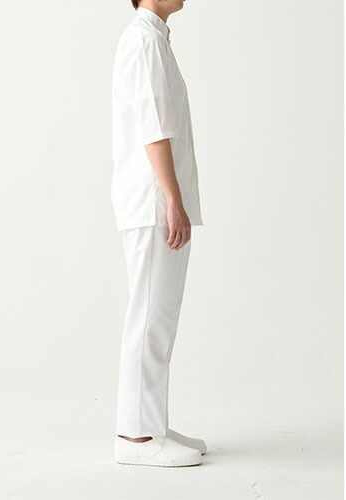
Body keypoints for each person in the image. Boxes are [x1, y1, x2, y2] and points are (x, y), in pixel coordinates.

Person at [111, 0, 205, 467]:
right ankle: (136, 438)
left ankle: (151, 425)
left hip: (158, 200)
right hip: (153, 202)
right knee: (149, 316)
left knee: (159, 316)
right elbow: (153, 126)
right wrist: (172, 197)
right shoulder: (144, 41)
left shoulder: (155, 40)